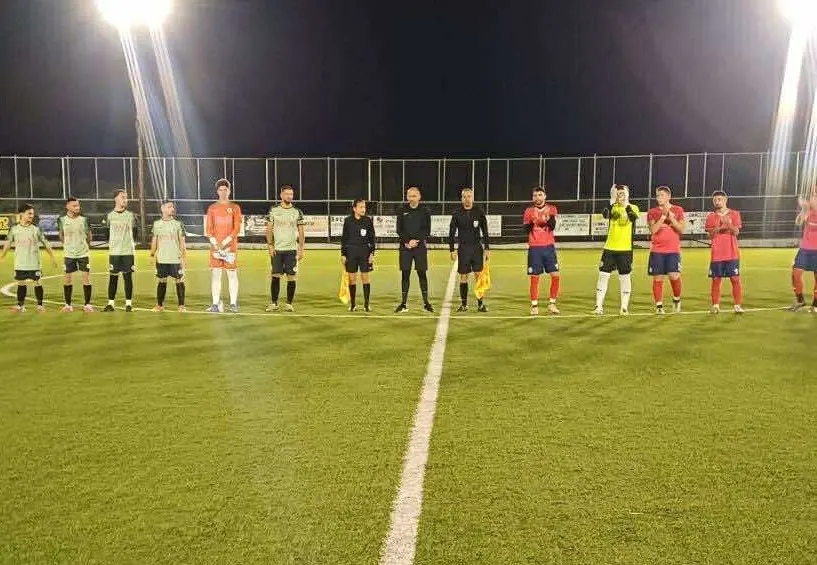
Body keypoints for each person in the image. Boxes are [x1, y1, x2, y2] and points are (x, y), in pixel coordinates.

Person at [0, 203, 57, 313]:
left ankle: (40, 305)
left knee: (37, 283)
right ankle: (20, 306)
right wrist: (2, 256)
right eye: (29, 213)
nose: (31, 216)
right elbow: (8, 243)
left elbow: (46, 243)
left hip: (34, 263)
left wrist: (52, 257)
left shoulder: (36, 229)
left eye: (32, 214)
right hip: (20, 263)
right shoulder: (14, 229)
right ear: (21, 214)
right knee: (21, 283)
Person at [594, 184, 639, 316]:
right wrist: (611, 201)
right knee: (603, 276)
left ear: (627, 194)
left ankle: (624, 307)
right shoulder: (612, 207)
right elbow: (605, 215)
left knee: (624, 277)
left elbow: (632, 217)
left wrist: (625, 204)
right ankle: (598, 306)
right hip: (609, 248)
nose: (620, 195)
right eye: (618, 193)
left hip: (625, 249)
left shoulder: (633, 207)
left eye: (622, 193)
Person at [449, 187, 490, 312]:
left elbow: (485, 231)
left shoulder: (479, 212)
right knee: (463, 276)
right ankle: (464, 305)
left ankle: (480, 304)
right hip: (463, 249)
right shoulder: (457, 213)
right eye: (464, 197)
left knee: (478, 276)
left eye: (469, 196)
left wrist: (487, 248)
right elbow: (451, 233)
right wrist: (452, 249)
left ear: (472, 198)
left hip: (476, 248)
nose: (467, 199)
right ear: (461, 199)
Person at [205, 179, 243, 313]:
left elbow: (236, 228)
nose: (223, 192)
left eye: (225, 190)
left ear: (229, 191)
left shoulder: (235, 207)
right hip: (216, 248)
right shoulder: (212, 208)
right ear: (217, 191)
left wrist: (225, 242)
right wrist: (216, 244)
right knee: (216, 274)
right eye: (220, 190)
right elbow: (209, 229)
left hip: (229, 247)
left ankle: (233, 304)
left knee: (232, 274)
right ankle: (216, 304)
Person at [266, 184, 306, 312]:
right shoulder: (273, 210)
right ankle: (274, 303)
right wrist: (270, 245)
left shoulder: (297, 212)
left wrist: (301, 249)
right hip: (277, 249)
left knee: (291, 277)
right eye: (287, 194)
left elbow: (301, 232)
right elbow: (269, 229)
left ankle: (289, 304)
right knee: (275, 276)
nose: (290, 196)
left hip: (292, 250)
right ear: (281, 195)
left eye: (291, 194)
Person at [647, 185, 685, 314]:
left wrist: (672, 217)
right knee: (658, 278)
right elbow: (653, 230)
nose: (659, 198)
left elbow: (681, 229)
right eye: (657, 195)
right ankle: (659, 306)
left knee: (674, 276)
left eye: (662, 195)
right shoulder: (652, 212)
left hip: (673, 250)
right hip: (657, 250)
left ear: (668, 196)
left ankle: (676, 299)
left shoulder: (678, 210)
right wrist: (663, 217)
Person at [395, 186, 433, 313]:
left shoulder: (425, 211)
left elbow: (427, 230)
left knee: (422, 273)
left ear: (419, 197)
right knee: (405, 274)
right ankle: (403, 303)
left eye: (414, 196)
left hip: (419, 247)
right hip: (405, 247)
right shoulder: (401, 210)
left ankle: (426, 303)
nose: (412, 198)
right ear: (407, 197)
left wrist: (416, 241)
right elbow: (399, 229)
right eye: (410, 196)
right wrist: (407, 242)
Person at [705, 191, 744, 314]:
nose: (717, 202)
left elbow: (736, 232)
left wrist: (728, 224)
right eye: (715, 200)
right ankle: (715, 305)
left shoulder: (734, 214)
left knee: (735, 279)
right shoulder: (711, 216)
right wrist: (716, 229)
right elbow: (709, 235)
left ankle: (737, 305)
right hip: (717, 254)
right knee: (716, 280)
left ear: (725, 200)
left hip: (732, 253)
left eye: (719, 199)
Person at [523, 186, 560, 315]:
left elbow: (553, 226)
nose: (537, 197)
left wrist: (547, 219)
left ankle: (552, 304)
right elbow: (525, 230)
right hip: (535, 248)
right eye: (535, 195)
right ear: (533, 197)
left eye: (540, 195)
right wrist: (532, 222)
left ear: (544, 196)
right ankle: (534, 306)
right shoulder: (529, 211)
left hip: (549, 247)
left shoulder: (551, 209)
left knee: (556, 276)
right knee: (534, 278)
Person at [149, 201, 187, 312]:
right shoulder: (157, 224)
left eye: (172, 207)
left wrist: (183, 257)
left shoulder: (178, 224)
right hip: (162, 258)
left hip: (175, 258)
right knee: (162, 280)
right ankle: (159, 305)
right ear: (163, 208)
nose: (172, 209)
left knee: (179, 280)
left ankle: (181, 306)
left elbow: (182, 241)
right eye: (169, 207)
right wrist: (152, 254)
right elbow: (154, 240)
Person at [57, 197, 94, 312]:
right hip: (69, 254)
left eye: (78, 205)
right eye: (74, 206)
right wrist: (67, 245)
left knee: (86, 278)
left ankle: (87, 305)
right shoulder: (61, 220)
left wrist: (86, 246)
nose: (77, 208)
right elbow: (61, 234)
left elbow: (89, 235)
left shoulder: (84, 219)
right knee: (67, 279)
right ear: (67, 206)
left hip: (83, 253)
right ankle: (68, 305)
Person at [104, 189, 137, 312]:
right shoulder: (109, 216)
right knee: (113, 277)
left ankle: (128, 304)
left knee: (127, 277)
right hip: (114, 252)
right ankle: (110, 304)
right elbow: (106, 232)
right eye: (123, 197)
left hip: (127, 252)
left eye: (126, 197)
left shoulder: (130, 215)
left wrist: (129, 243)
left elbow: (135, 231)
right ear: (116, 199)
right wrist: (113, 243)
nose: (125, 199)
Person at [341, 198, 376, 312]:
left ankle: (366, 304)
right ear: (354, 208)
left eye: (364, 207)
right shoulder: (348, 221)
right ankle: (353, 305)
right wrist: (343, 254)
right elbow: (344, 239)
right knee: (352, 279)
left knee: (365, 278)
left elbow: (372, 238)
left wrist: (372, 253)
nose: (363, 209)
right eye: (361, 207)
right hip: (351, 252)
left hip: (364, 252)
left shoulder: (368, 220)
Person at [789, 185, 817, 312]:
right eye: (812, 194)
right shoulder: (809, 210)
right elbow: (798, 222)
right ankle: (800, 301)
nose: (812, 196)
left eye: (815, 194)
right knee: (795, 274)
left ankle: (815, 304)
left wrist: (807, 205)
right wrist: (804, 210)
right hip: (805, 248)